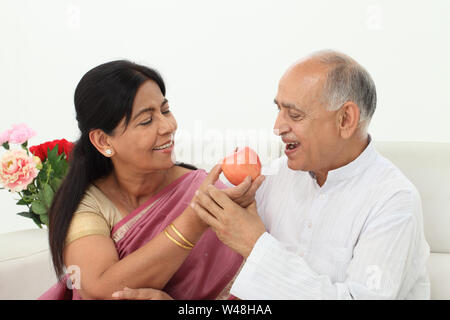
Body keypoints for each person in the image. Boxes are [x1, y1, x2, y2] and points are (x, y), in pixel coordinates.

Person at [192, 50, 431, 299]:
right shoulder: (276, 176)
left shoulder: (394, 201)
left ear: (346, 119)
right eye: (279, 110)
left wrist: (255, 245)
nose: (277, 128)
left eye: (294, 115)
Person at [38, 60, 264, 300]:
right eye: (146, 121)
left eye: (165, 110)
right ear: (103, 141)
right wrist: (195, 219)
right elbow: (100, 289)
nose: (168, 126)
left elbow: (262, 286)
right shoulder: (87, 204)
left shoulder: (206, 191)